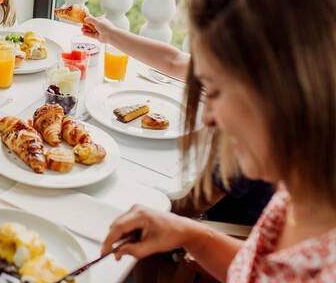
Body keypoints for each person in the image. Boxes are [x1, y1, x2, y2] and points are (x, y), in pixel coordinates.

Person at [101, 0, 336, 281]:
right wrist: (190, 234)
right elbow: (259, 269)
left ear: (285, 96)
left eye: (215, 91)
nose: (208, 117)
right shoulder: (301, 190)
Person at [82, 15, 273, 226]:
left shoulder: (253, 128)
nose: (206, 115)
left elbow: (194, 204)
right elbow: (173, 60)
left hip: (221, 225)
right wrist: (110, 34)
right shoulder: (243, 77)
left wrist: (128, 204)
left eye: (213, 93)